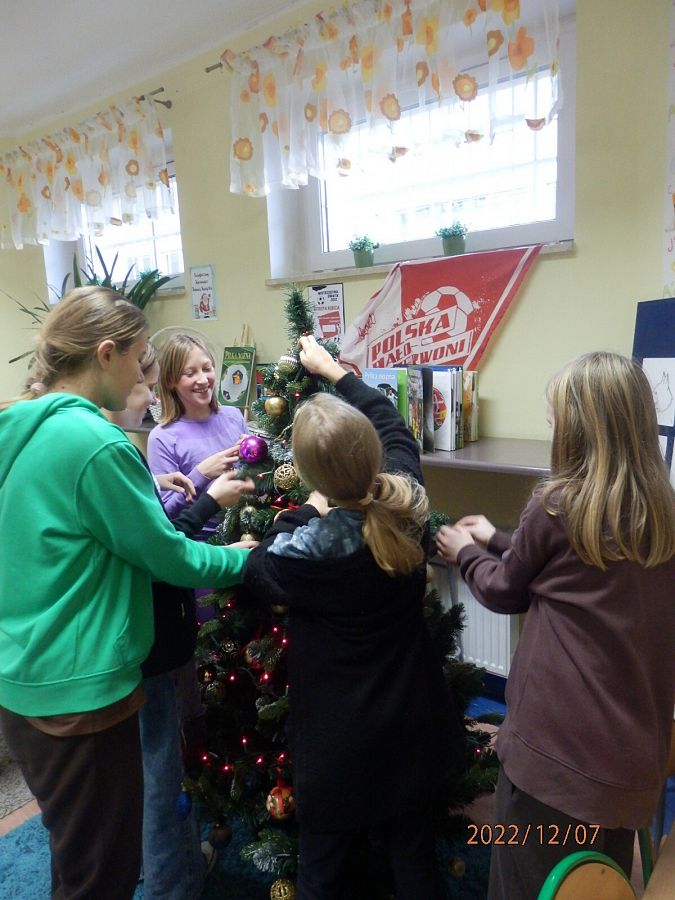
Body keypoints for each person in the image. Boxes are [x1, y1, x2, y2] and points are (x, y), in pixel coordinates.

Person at [0, 286, 255, 900]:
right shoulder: (97, 443)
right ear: (106, 354)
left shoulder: (19, 426)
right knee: (103, 875)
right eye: (141, 362)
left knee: (77, 856)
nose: (145, 376)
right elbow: (168, 556)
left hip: (23, 677)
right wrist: (243, 558)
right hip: (80, 691)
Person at [435, 351, 675, 900]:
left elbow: (506, 588)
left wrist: (466, 551)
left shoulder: (557, 504)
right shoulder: (660, 513)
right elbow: (571, 568)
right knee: (601, 882)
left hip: (554, 762)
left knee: (524, 883)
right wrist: (497, 537)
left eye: (556, 420)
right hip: (627, 766)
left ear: (579, 431)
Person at [243, 335, 460, 900]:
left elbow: (259, 567)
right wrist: (336, 373)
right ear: (372, 456)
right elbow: (394, 427)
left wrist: (303, 510)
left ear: (310, 475)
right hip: (410, 729)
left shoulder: (304, 552)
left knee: (322, 872)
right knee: (415, 863)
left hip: (337, 747)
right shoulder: (407, 502)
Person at [103, 342, 255, 900]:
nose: (202, 379)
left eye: (207, 368)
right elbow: (166, 541)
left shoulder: (231, 419)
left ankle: (164, 857)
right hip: (172, 615)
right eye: (146, 382)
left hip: (173, 614)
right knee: (165, 758)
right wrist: (203, 485)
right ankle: (174, 873)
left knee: (165, 752)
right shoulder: (139, 443)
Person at [147, 332, 248, 537]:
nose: (202, 380)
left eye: (207, 369)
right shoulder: (162, 438)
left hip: (246, 530)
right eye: (190, 373)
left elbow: (254, 480)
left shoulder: (234, 416)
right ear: (171, 381)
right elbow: (167, 515)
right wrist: (200, 475)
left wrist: (258, 457)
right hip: (202, 544)